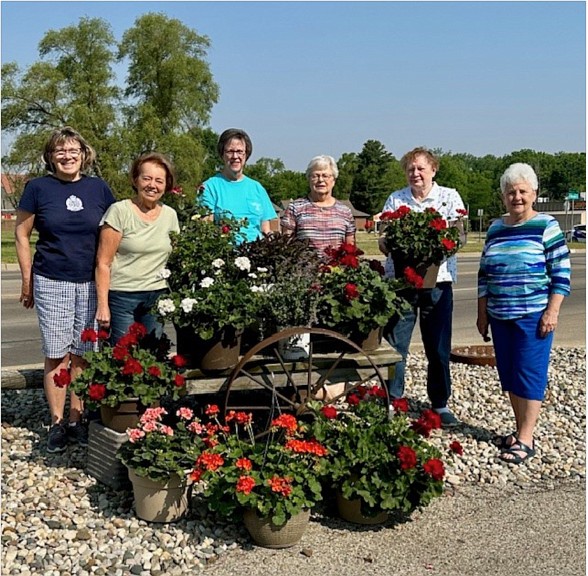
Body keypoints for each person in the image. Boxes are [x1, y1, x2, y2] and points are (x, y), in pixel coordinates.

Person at [15, 126, 116, 453]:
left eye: (73, 151)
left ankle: (77, 418)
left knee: (84, 354)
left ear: (83, 155)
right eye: (60, 151)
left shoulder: (98, 188)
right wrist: (27, 279)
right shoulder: (37, 188)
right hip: (51, 279)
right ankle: (57, 422)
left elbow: (113, 233)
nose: (67, 156)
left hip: (90, 282)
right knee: (57, 353)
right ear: (50, 156)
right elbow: (21, 235)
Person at [477, 163, 570, 464]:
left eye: (522, 191)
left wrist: (551, 312)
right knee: (510, 374)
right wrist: (482, 313)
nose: (516, 197)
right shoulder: (495, 228)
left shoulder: (546, 226)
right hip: (500, 314)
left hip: (533, 315)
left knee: (529, 374)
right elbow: (483, 275)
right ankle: (519, 432)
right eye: (510, 192)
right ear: (503, 197)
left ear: (534, 194)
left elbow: (561, 274)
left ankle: (527, 438)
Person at [379, 147, 466, 427]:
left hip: (437, 282)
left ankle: (439, 403)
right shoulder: (396, 199)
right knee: (396, 346)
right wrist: (390, 243)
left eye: (420, 168)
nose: (415, 174)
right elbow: (384, 239)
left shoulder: (449, 197)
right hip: (403, 284)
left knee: (438, 347)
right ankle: (393, 400)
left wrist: (439, 246)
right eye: (410, 169)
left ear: (433, 170)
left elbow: (459, 238)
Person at [95, 152, 180, 345]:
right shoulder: (119, 211)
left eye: (159, 180)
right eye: (147, 178)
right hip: (123, 297)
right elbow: (103, 262)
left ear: (166, 185)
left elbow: (175, 257)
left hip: (157, 295)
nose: (152, 185)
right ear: (136, 180)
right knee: (124, 357)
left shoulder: (170, 216)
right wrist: (103, 306)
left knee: (153, 356)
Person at [199, 128, 277, 242]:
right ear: (222, 154)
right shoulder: (209, 188)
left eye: (240, 151)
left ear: (246, 155)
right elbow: (205, 231)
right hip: (225, 255)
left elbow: (266, 229)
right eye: (230, 151)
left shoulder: (257, 188)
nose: (235, 156)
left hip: (257, 253)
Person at [280, 155, 356, 253]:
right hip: (303, 266)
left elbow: (350, 247)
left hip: (337, 267)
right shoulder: (295, 208)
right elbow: (286, 245)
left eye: (325, 176)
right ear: (308, 179)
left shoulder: (345, 211)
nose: (320, 180)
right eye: (315, 176)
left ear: (333, 180)